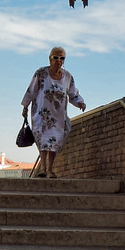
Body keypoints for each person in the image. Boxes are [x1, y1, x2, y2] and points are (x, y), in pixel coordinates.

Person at [21, 46, 86, 178]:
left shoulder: (67, 76)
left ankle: (50, 169)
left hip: (58, 115)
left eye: (62, 58)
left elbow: (73, 93)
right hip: (41, 114)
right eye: (55, 57)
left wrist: (80, 102)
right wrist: (25, 106)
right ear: (50, 58)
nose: (58, 61)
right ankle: (43, 169)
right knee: (43, 139)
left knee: (55, 140)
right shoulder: (41, 73)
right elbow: (31, 90)